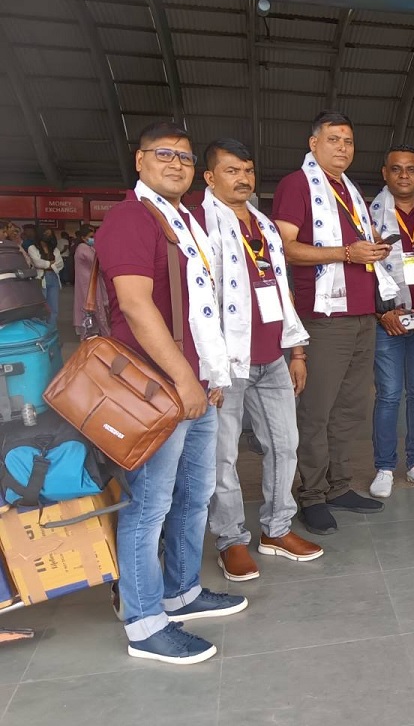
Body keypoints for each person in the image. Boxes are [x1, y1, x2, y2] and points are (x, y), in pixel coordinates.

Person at [96, 121, 244, 665]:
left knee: (193, 494)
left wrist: (211, 376)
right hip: (158, 389)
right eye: (163, 154)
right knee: (149, 505)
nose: (175, 164)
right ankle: (144, 623)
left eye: (183, 157)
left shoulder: (183, 220)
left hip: (196, 385)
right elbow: (136, 305)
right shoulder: (131, 218)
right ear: (140, 161)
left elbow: (201, 306)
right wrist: (184, 380)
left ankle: (181, 591)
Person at [196, 138, 323, 581]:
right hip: (226, 364)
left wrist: (297, 351)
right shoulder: (199, 224)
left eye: (248, 171)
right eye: (231, 170)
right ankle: (230, 539)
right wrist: (208, 368)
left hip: (272, 358)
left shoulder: (265, 225)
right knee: (223, 456)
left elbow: (282, 290)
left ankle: (277, 529)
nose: (243, 179)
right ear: (210, 177)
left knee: (285, 445)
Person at [273, 110, 393, 535]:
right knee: (317, 411)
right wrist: (346, 254)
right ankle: (311, 494)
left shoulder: (350, 190)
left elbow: (354, 246)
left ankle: (338, 485)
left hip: (361, 315)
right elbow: (285, 247)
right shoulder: (297, 185)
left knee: (351, 408)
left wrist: (370, 250)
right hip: (323, 318)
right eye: (333, 139)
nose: (342, 147)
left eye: (348, 141)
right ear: (314, 144)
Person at [368, 145, 414, 498]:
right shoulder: (367, 216)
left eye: (410, 169)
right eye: (396, 169)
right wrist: (382, 312)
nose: (403, 175)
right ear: (385, 173)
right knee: (388, 394)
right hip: (388, 321)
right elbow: (361, 269)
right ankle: (384, 467)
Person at [72, 224, 110, 337]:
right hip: (89, 285)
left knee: (91, 311)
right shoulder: (83, 248)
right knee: (96, 309)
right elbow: (99, 264)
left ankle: (93, 336)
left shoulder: (87, 248)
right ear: (83, 238)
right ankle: (106, 336)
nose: (93, 239)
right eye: (91, 236)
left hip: (90, 283)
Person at [26, 233, 63, 325]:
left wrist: (46, 264)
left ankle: (51, 327)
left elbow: (60, 264)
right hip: (41, 278)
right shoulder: (32, 248)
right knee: (41, 307)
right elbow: (37, 263)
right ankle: (40, 328)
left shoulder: (54, 249)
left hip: (54, 278)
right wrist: (51, 264)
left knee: (54, 307)